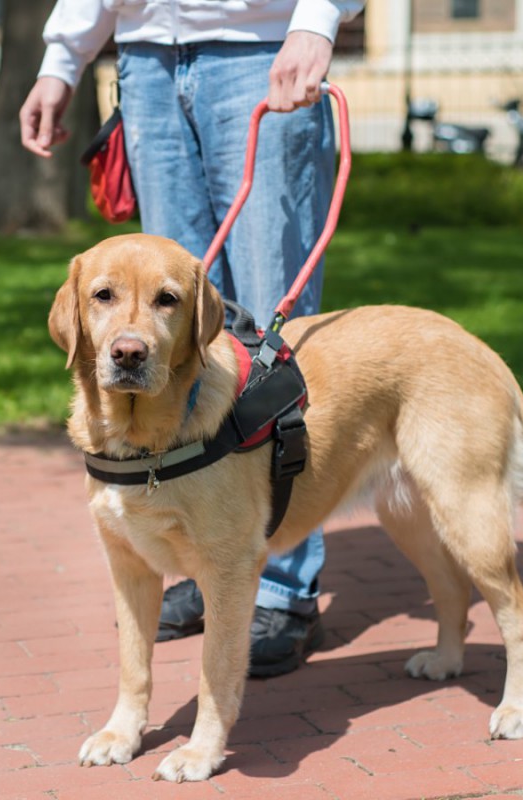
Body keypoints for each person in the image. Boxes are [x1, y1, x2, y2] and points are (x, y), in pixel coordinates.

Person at [21, 0, 364, 677]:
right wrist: (64, 57)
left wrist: (316, 20)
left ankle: (283, 589)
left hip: (260, 50)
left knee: (272, 337)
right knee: (177, 328)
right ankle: (214, 559)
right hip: (146, 59)